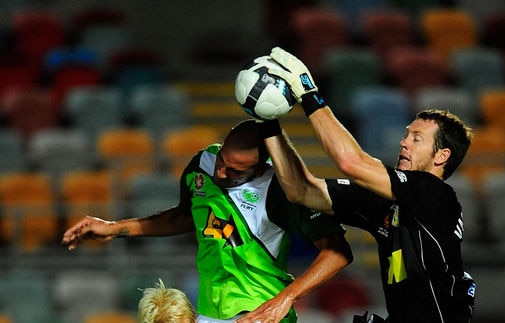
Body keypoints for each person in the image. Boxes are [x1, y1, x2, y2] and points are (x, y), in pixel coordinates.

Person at [244, 47, 476, 323]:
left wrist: (308, 92)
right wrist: (267, 123)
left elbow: (350, 162)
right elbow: (301, 190)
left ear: (442, 156)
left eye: (416, 138)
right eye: (406, 135)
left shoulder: (435, 195)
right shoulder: (387, 203)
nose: (404, 142)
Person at [61, 119, 353, 323]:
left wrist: (285, 299)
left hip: (259, 312)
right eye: (222, 161)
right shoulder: (201, 164)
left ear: (260, 168)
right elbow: (185, 217)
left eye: (236, 171)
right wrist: (114, 229)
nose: (221, 174)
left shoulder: (282, 189)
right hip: (209, 311)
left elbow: (337, 252)